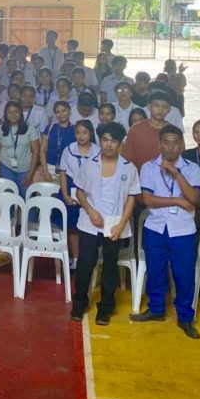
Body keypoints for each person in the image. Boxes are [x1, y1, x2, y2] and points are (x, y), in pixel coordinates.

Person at [130, 125, 200, 338]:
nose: (170, 147)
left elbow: (194, 199)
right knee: (155, 270)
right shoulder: (148, 168)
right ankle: (156, 309)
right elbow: (147, 199)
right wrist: (178, 200)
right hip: (155, 227)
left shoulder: (191, 168)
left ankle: (185, 317)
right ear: (159, 144)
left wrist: (175, 173)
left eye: (175, 143)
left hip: (183, 230)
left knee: (184, 275)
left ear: (181, 144)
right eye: (166, 143)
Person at [70, 122, 139, 325]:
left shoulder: (129, 168)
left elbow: (132, 199)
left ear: (120, 144)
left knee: (110, 266)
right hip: (90, 223)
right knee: (85, 264)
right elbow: (79, 190)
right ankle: (79, 304)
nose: (108, 145)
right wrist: (90, 211)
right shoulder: (89, 164)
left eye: (113, 141)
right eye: (105, 140)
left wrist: (120, 225)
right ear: (100, 141)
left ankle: (106, 308)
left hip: (114, 224)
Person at [58, 120, 100, 268]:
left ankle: (88, 260)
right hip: (71, 187)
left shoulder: (97, 151)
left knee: (89, 226)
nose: (81, 136)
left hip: (90, 191)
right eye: (78, 133)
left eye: (84, 132)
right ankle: (76, 258)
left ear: (90, 133)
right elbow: (62, 174)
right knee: (72, 226)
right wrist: (65, 195)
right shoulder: (68, 149)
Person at [0, 101, 41, 196]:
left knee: (26, 198)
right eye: (10, 112)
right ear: (5, 114)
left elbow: (36, 152)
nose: (13, 115)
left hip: (25, 168)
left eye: (16, 112)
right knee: (8, 197)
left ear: (21, 113)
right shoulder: (0, 129)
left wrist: (30, 174)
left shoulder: (30, 129)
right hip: (6, 167)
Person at [122, 92, 174, 169]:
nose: (160, 110)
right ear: (149, 107)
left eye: (164, 107)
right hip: (139, 178)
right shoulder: (136, 130)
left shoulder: (174, 132)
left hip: (166, 178)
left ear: (169, 110)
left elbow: (178, 159)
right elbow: (128, 159)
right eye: (156, 106)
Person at [43, 101, 75, 183]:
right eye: (58, 112)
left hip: (68, 169)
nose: (61, 114)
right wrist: (45, 171)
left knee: (63, 195)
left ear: (69, 111)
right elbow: (43, 150)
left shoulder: (75, 129)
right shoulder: (50, 127)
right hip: (49, 168)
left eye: (64, 111)